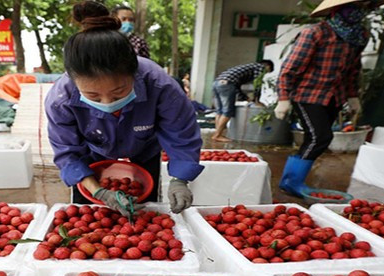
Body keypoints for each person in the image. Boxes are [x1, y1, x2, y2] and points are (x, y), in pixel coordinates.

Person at [45, 1, 203, 215]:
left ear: (134, 73)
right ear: (74, 81)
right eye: (93, 96)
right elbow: (68, 153)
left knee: (145, 210)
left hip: (145, 148)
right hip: (92, 154)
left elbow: (182, 135)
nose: (107, 103)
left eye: (118, 92)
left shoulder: (159, 85)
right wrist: (99, 192)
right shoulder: (60, 99)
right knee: (88, 214)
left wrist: (180, 180)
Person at [275, 0, 384, 196]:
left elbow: (353, 69)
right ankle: (291, 182)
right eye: (353, 7)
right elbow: (290, 68)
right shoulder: (316, 33)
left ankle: (292, 181)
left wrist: (353, 96)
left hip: (334, 97)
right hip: (308, 94)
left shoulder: (360, 35)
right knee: (320, 137)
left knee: (315, 139)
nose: (358, 11)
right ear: (337, 9)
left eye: (363, 8)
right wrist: (283, 98)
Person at [211, 60, 274, 142]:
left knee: (220, 111)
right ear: (268, 66)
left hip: (217, 83)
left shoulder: (247, 67)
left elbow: (236, 86)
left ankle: (217, 134)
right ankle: (217, 135)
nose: (264, 74)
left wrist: (246, 98)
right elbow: (257, 84)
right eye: (267, 72)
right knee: (227, 111)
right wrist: (257, 100)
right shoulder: (260, 67)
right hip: (227, 84)